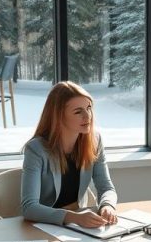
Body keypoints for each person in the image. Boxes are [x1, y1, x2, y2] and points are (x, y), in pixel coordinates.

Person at [21, 82, 118, 228]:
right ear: (58, 116)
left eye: (89, 108)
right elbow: (29, 208)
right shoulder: (36, 149)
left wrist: (107, 206)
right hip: (46, 225)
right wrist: (74, 218)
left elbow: (106, 188)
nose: (88, 116)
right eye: (78, 112)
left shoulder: (95, 141)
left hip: (77, 226)